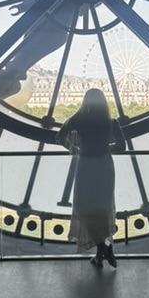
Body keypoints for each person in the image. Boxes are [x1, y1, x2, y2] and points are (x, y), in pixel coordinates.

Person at [56, 88, 126, 268]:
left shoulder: (79, 120)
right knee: (101, 209)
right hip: (104, 165)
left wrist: (76, 149)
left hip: (86, 164)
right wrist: (105, 149)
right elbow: (122, 146)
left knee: (86, 208)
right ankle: (101, 251)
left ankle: (102, 248)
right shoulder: (111, 123)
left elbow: (60, 137)